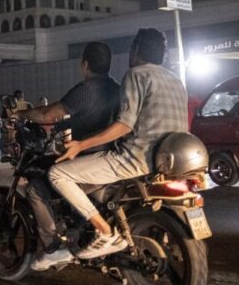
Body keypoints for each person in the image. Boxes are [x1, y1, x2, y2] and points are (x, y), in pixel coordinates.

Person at [49, 28, 188, 261]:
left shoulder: (136, 75)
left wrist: (81, 145)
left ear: (135, 50)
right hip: (169, 162)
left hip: (137, 160)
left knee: (57, 174)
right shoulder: (176, 81)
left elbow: (123, 125)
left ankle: (103, 231)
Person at [11, 42, 120, 270]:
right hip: (113, 160)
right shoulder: (117, 89)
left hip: (90, 160)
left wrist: (20, 114)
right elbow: (94, 118)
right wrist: (68, 124)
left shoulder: (86, 89)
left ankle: (53, 248)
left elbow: (47, 113)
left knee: (36, 188)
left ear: (85, 64)